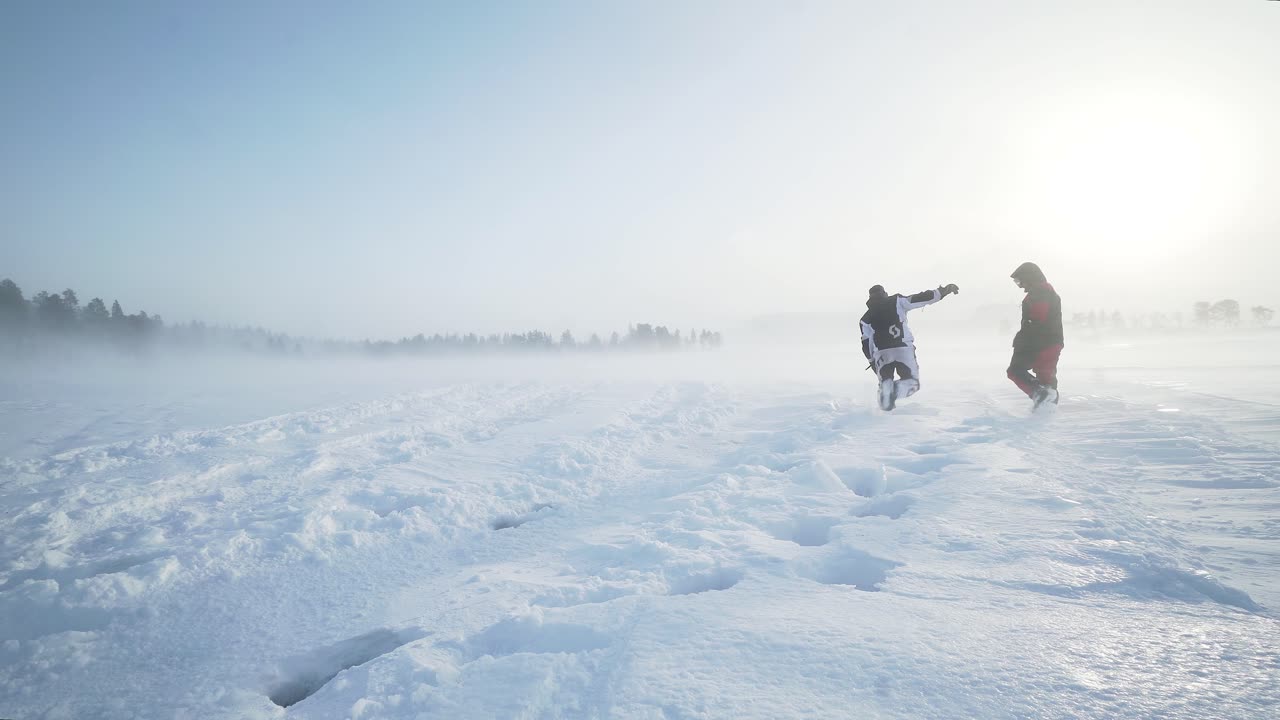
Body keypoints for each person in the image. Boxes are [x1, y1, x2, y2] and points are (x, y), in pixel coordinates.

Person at [860, 283, 959, 411]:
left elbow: (865, 343)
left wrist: (872, 361)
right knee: (912, 383)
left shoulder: (865, 318)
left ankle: (887, 392)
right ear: (885, 294)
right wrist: (943, 291)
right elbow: (920, 298)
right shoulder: (897, 301)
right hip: (903, 348)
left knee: (885, 384)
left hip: (881, 353)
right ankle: (896, 390)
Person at [1007, 261, 1064, 409]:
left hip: (1041, 342)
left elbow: (1036, 319)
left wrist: (1022, 341)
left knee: (1015, 370)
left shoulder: (1040, 292)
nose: (1020, 286)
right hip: (1051, 342)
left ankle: (1040, 395)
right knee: (1046, 378)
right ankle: (1046, 409)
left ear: (1030, 278)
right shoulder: (1045, 291)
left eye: (1020, 281)